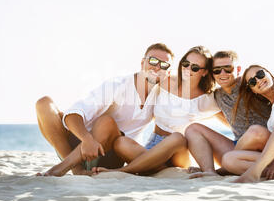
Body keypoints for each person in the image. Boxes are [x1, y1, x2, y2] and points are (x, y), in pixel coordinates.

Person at [35, 43, 174, 177]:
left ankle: (63, 168)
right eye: (153, 60)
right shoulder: (118, 85)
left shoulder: (162, 97)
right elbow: (73, 115)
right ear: (142, 62)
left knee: (106, 122)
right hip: (78, 147)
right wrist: (87, 139)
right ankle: (73, 169)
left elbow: (170, 126)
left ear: (168, 72)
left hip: (110, 154)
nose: (157, 67)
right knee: (44, 103)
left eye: (164, 65)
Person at [92, 46, 222, 176]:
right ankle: (156, 168)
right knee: (120, 142)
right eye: (186, 64)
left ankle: (123, 171)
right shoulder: (165, 82)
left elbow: (230, 121)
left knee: (177, 137)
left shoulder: (206, 99)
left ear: (204, 72)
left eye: (195, 67)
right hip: (153, 145)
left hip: (178, 150)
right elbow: (142, 86)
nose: (188, 69)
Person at [185, 50, 274, 178]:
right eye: (217, 70)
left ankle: (224, 170)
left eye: (228, 68)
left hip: (267, 143)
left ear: (237, 69)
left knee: (253, 132)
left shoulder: (250, 83)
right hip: (240, 147)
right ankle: (210, 171)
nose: (222, 73)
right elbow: (193, 96)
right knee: (193, 129)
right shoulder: (216, 95)